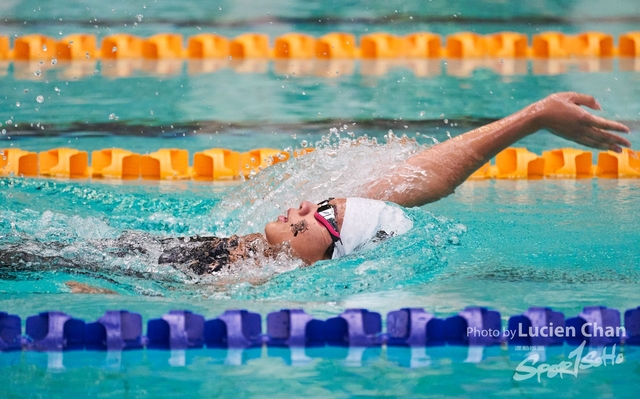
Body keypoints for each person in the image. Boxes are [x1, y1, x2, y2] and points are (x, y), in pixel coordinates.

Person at [0, 92, 631, 280]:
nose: (307, 205)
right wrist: (532, 119)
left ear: (330, 257)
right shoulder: (290, 242)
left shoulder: (257, 280)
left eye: (322, 216)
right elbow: (419, 181)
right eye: (319, 204)